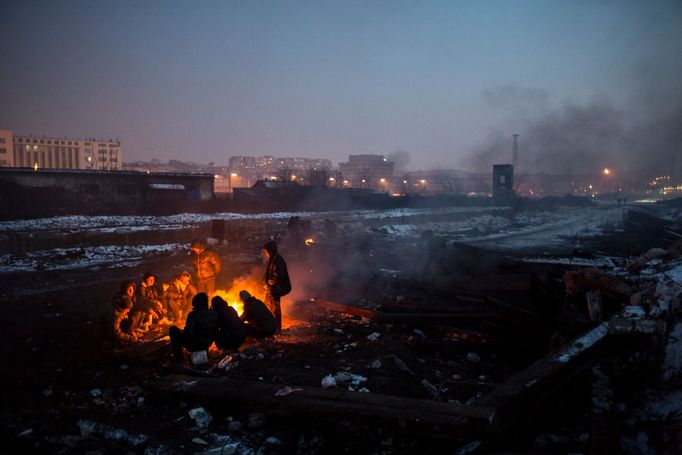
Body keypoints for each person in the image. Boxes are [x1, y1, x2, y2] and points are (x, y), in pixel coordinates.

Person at [169, 293, 218, 362]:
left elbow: (188, 333)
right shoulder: (214, 313)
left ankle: (178, 358)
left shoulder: (193, 315)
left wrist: (182, 333)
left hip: (195, 344)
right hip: (207, 343)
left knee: (173, 329)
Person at [261, 240, 291, 331]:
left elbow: (279, 276)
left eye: (267, 251)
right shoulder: (272, 259)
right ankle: (269, 325)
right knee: (267, 305)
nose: (265, 253)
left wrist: (270, 282)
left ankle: (277, 328)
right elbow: (268, 273)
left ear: (271, 250)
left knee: (275, 308)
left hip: (278, 288)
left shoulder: (278, 260)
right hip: (272, 288)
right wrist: (264, 281)